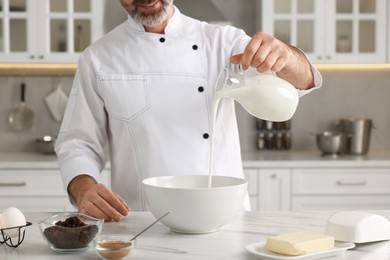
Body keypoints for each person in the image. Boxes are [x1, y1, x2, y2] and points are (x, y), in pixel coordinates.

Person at [55, 0, 322, 222]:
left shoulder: (223, 42)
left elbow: (302, 80)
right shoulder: (98, 57)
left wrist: (285, 55)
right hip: (143, 222)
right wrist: (83, 188)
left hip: (224, 221)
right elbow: (77, 142)